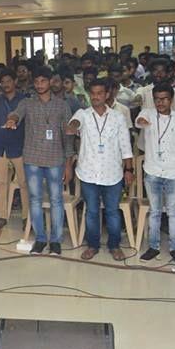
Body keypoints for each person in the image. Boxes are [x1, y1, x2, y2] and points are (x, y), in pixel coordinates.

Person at [3, 68, 74, 255]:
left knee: (56, 200)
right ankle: (41, 239)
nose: (40, 85)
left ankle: (56, 241)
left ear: (50, 82)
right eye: (37, 81)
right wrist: (11, 120)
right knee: (34, 200)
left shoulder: (61, 105)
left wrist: (68, 164)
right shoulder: (27, 103)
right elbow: (16, 114)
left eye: (44, 81)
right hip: (32, 158)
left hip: (55, 159)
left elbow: (67, 136)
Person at [67, 78, 134, 261]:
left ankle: (114, 245)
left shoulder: (118, 117)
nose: (95, 97)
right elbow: (75, 122)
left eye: (99, 93)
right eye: (93, 93)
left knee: (112, 211)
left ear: (106, 95)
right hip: (88, 172)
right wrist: (72, 127)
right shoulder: (83, 114)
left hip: (113, 173)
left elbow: (125, 145)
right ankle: (93, 245)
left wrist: (129, 169)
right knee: (92, 211)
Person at [135, 84, 175, 264]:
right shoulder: (147, 113)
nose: (161, 102)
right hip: (152, 171)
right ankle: (153, 247)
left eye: (165, 99)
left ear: (172, 99)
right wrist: (142, 122)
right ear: (153, 100)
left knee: (173, 212)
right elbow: (139, 120)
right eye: (157, 99)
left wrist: (173, 156)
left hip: (173, 171)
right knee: (154, 212)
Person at [0, 69, 28, 231]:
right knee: (0, 182)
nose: (6, 84)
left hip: (19, 145)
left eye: (8, 81)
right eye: (2, 82)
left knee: (24, 182)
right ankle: (2, 215)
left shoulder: (24, 99)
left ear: (15, 82)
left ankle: (26, 216)